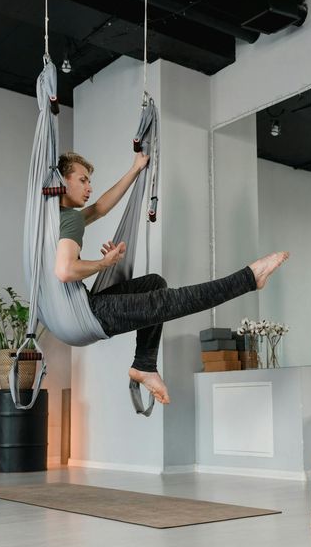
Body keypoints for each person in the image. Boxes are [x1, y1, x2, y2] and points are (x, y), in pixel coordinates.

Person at [54, 151, 289, 406]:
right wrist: (104, 263)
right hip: (85, 315)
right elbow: (65, 270)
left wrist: (135, 169)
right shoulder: (72, 220)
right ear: (61, 181)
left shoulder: (52, 218)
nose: (89, 187)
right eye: (82, 180)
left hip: (70, 315)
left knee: (154, 284)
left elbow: (100, 208)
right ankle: (250, 278)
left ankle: (144, 364)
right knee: (169, 301)